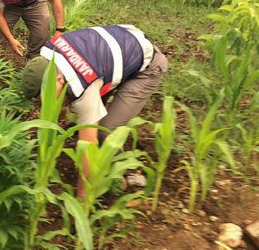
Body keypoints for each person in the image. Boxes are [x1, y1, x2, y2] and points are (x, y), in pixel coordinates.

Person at [21, 24, 168, 197]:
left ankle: (118, 171)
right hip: (119, 44)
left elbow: (88, 146)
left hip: (147, 66)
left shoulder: (83, 88)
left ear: (59, 79)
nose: (44, 103)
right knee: (81, 116)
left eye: (46, 95)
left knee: (105, 131)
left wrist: (82, 201)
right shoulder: (48, 56)